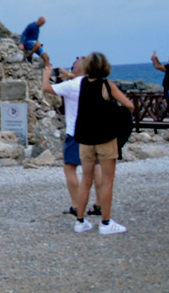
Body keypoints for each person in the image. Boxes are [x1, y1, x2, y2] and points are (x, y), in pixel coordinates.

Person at [68, 52, 133, 234]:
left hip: (85, 139)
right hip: (105, 137)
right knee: (106, 181)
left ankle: (80, 221)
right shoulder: (106, 84)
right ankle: (105, 223)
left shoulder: (80, 84)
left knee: (85, 180)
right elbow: (129, 105)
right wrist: (111, 110)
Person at [42, 57, 104, 220]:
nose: (76, 59)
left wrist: (46, 74)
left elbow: (46, 88)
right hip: (94, 132)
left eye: (79, 60)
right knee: (96, 167)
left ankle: (76, 205)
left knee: (70, 168)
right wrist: (69, 74)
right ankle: (100, 204)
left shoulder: (71, 86)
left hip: (76, 133)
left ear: (80, 68)